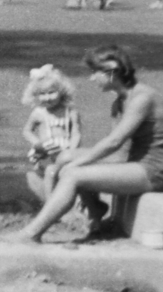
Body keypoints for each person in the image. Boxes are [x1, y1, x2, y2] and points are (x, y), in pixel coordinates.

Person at [14, 46, 163, 243]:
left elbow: (114, 142)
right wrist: (74, 160)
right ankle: (95, 210)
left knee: (74, 173)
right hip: (136, 162)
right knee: (67, 156)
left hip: (153, 170)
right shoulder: (120, 102)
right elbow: (121, 150)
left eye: (95, 72)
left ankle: (30, 234)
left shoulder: (141, 98)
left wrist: (78, 165)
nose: (92, 79)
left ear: (111, 71)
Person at [20, 64, 81, 203]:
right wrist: (36, 143)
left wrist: (72, 150)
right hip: (46, 150)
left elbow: (76, 133)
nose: (47, 98)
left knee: (66, 172)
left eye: (52, 92)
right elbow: (27, 131)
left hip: (65, 149)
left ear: (62, 91)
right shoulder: (38, 113)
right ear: (35, 95)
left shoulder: (70, 112)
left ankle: (71, 203)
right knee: (50, 172)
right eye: (42, 94)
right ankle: (50, 203)